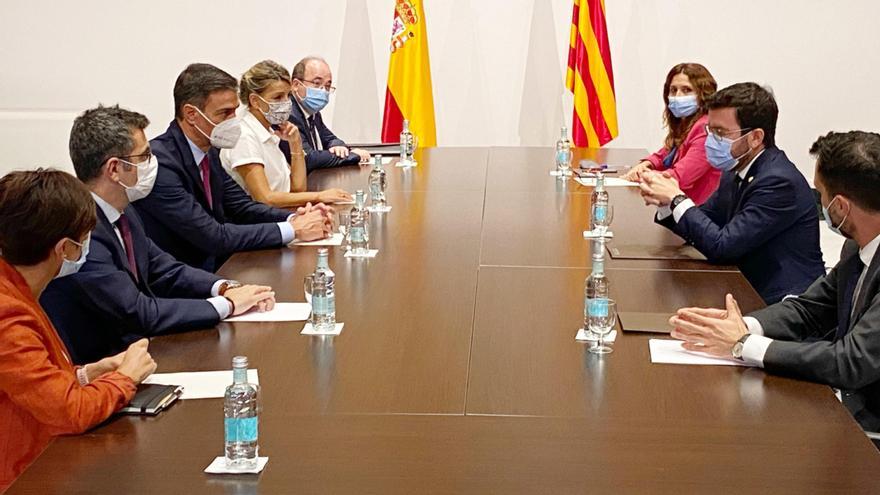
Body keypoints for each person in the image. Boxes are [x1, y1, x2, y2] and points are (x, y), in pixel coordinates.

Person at [669, 131, 880, 432]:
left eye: (819, 193)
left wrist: (744, 345)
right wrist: (742, 325)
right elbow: (809, 309)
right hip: (846, 410)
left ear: (841, 207)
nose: (817, 201)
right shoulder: (856, 246)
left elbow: (851, 361)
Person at [41, 105, 277, 365]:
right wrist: (228, 305)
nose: (153, 162)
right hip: (105, 366)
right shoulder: (83, 231)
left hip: (143, 350)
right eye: (144, 156)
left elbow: (163, 268)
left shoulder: (124, 210)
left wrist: (224, 287)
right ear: (114, 169)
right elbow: (139, 312)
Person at [0, 169, 156, 490]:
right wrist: (124, 378)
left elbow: (35, 383)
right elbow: (70, 412)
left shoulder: (16, 287)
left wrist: (88, 374)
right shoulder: (8, 314)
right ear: (65, 248)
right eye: (85, 238)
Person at [133, 63, 333, 272]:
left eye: (235, 111)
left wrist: (296, 217)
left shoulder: (208, 151)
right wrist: (292, 229)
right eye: (224, 113)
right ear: (192, 114)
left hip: (222, 266)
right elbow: (212, 236)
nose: (233, 121)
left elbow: (241, 207)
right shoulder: (162, 164)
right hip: (186, 277)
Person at [639, 82, 824, 304]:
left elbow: (722, 246)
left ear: (755, 137)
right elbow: (705, 220)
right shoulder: (735, 169)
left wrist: (677, 198)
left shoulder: (778, 182)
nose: (711, 140)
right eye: (710, 130)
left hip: (780, 303)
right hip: (739, 284)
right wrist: (665, 202)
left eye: (720, 133)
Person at [221, 60, 352, 208]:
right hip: (259, 224)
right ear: (255, 101)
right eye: (278, 97)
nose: (286, 102)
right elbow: (265, 198)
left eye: (287, 95)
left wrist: (295, 143)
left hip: (281, 214)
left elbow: (297, 188)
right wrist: (319, 196)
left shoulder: (270, 132)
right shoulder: (244, 135)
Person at [622, 63, 720, 205]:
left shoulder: (705, 129)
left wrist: (642, 176)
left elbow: (679, 177)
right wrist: (647, 164)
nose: (677, 96)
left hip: (699, 212)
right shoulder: (686, 123)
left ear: (703, 94)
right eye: (673, 90)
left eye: (686, 90)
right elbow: (667, 153)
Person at [285, 56, 371, 172]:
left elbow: (330, 138)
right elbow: (308, 158)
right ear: (296, 85)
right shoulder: (289, 114)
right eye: (316, 83)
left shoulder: (312, 112)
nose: (323, 91)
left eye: (327, 86)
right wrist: (352, 156)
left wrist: (338, 146)